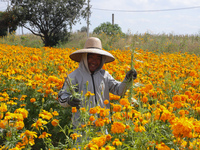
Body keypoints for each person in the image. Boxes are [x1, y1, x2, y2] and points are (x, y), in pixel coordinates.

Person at [58, 37, 137, 127]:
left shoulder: (104, 75)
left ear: (102, 60)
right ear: (84, 57)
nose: (94, 61)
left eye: (98, 58)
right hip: (83, 127)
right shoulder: (74, 76)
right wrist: (69, 100)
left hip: (102, 125)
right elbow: (62, 97)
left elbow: (118, 90)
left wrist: (128, 79)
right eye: (91, 57)